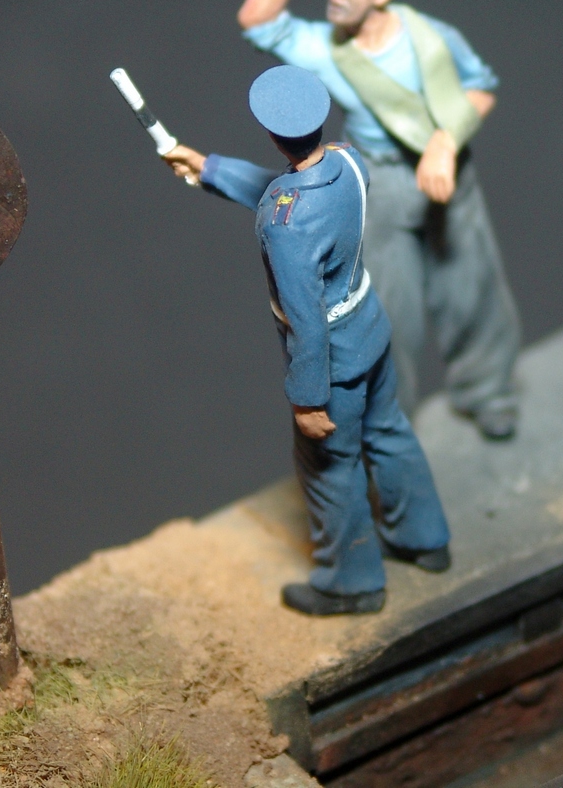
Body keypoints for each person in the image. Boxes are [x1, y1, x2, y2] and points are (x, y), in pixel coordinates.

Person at [163, 65, 451, 616]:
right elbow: (287, 193)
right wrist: (209, 168)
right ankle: (424, 538)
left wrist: (308, 398)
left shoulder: (285, 225)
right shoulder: (348, 159)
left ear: (273, 135)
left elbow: (306, 316)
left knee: (328, 471)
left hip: (333, 361)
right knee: (389, 432)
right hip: (370, 328)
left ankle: (351, 583)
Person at [236, 0, 522, 439]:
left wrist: (445, 142)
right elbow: (257, 22)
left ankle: (488, 391)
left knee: (471, 288)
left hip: (447, 172)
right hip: (379, 184)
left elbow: (481, 88)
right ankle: (391, 416)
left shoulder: (431, 39)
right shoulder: (328, 49)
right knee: (386, 304)